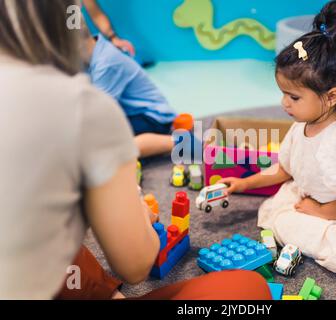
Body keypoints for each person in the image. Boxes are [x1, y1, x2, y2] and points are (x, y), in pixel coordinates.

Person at [0, 0, 270, 300]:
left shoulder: (99, 70)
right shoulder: (82, 105)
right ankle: (188, 144)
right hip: (130, 128)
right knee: (249, 290)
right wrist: (137, 210)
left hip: (150, 119)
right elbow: (136, 266)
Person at [219, 1, 336, 289]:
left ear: (331, 96)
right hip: (318, 198)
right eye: (283, 94)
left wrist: (320, 211)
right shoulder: (301, 127)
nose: (283, 104)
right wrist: (243, 184)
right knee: (278, 213)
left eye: (293, 97)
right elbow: (285, 170)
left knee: (315, 236)